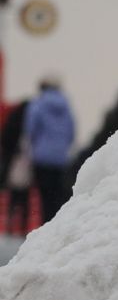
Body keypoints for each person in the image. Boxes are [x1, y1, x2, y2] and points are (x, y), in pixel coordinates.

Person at [24, 78, 76, 224]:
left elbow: (30, 130)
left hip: (41, 157)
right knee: (57, 195)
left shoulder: (38, 105)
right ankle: (56, 225)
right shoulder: (66, 107)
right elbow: (71, 133)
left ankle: (45, 226)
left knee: (44, 196)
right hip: (60, 158)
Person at [0, 98, 32, 236]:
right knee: (25, 198)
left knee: (13, 197)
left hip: (12, 163)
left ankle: (10, 226)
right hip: (27, 164)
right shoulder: (29, 121)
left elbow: (6, 139)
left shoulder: (13, 119)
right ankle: (23, 228)